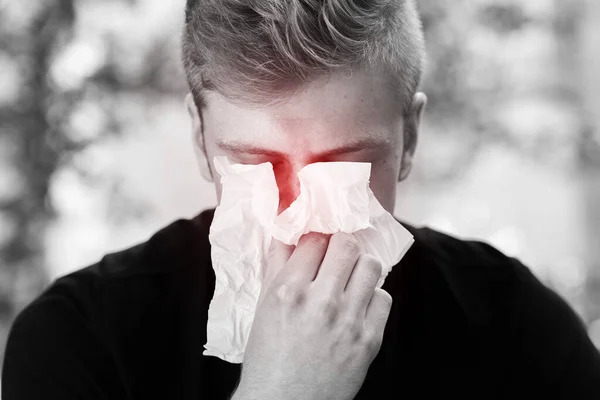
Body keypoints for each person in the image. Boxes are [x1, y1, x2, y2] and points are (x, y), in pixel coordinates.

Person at [2, 0, 600, 399]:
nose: (298, 217)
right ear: (199, 138)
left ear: (408, 138)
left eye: (343, 166)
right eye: (257, 165)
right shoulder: (79, 339)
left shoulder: (516, 327)